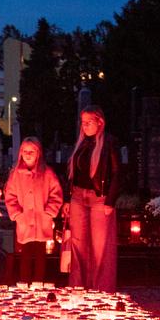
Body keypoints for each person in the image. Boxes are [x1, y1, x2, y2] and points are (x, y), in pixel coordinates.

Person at [66, 106, 122, 291]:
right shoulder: (82, 143)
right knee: (78, 245)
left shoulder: (109, 142)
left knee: (100, 248)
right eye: (83, 122)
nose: (86, 126)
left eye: (89, 121)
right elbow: (73, 173)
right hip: (78, 197)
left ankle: (101, 290)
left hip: (100, 199)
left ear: (100, 122)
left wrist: (110, 201)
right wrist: (68, 198)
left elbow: (117, 172)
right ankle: (78, 287)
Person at [3, 137, 63, 285]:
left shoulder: (47, 173)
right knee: (26, 255)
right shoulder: (16, 174)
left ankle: (39, 283)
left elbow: (56, 193)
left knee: (41, 255)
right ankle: (24, 283)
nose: (28, 154)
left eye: (31, 151)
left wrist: (50, 211)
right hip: (24, 221)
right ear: (20, 153)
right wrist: (17, 213)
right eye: (25, 151)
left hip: (42, 221)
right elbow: (10, 195)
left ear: (38, 153)